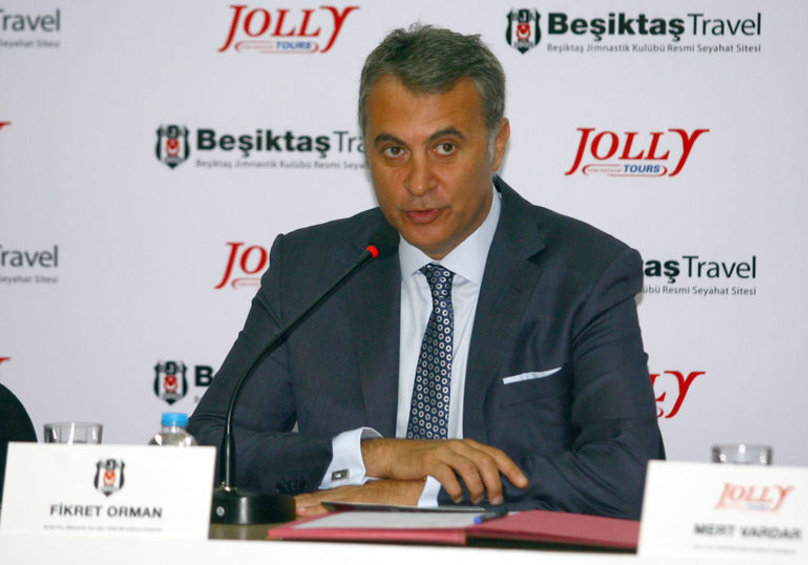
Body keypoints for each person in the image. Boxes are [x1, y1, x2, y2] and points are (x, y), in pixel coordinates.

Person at [188, 24, 663, 520]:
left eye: (445, 148)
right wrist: (377, 457)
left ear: (497, 145)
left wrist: (419, 494)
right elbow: (206, 448)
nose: (418, 183)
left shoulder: (584, 273)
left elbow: (631, 476)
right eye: (394, 151)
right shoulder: (310, 270)